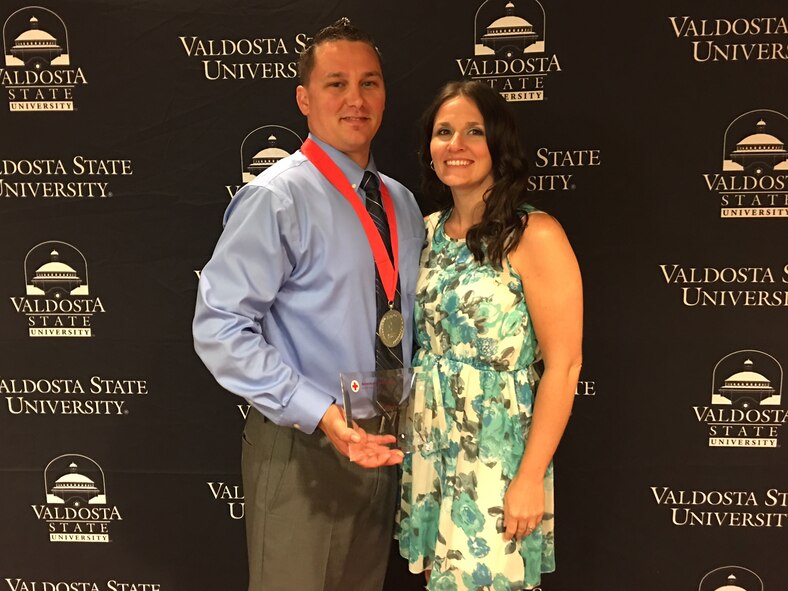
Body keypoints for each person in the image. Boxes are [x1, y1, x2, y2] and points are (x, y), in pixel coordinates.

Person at [193, 18, 425, 591]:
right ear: (304, 98)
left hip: (384, 440)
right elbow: (219, 326)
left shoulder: (401, 202)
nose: (355, 99)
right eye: (335, 84)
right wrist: (320, 412)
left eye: (369, 83)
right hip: (304, 444)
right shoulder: (276, 197)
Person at [397, 80, 583, 590]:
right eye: (444, 132)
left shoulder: (535, 234)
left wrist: (528, 477)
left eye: (473, 131)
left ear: (498, 145)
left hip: (497, 455)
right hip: (431, 449)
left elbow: (564, 367)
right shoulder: (426, 231)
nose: (456, 144)